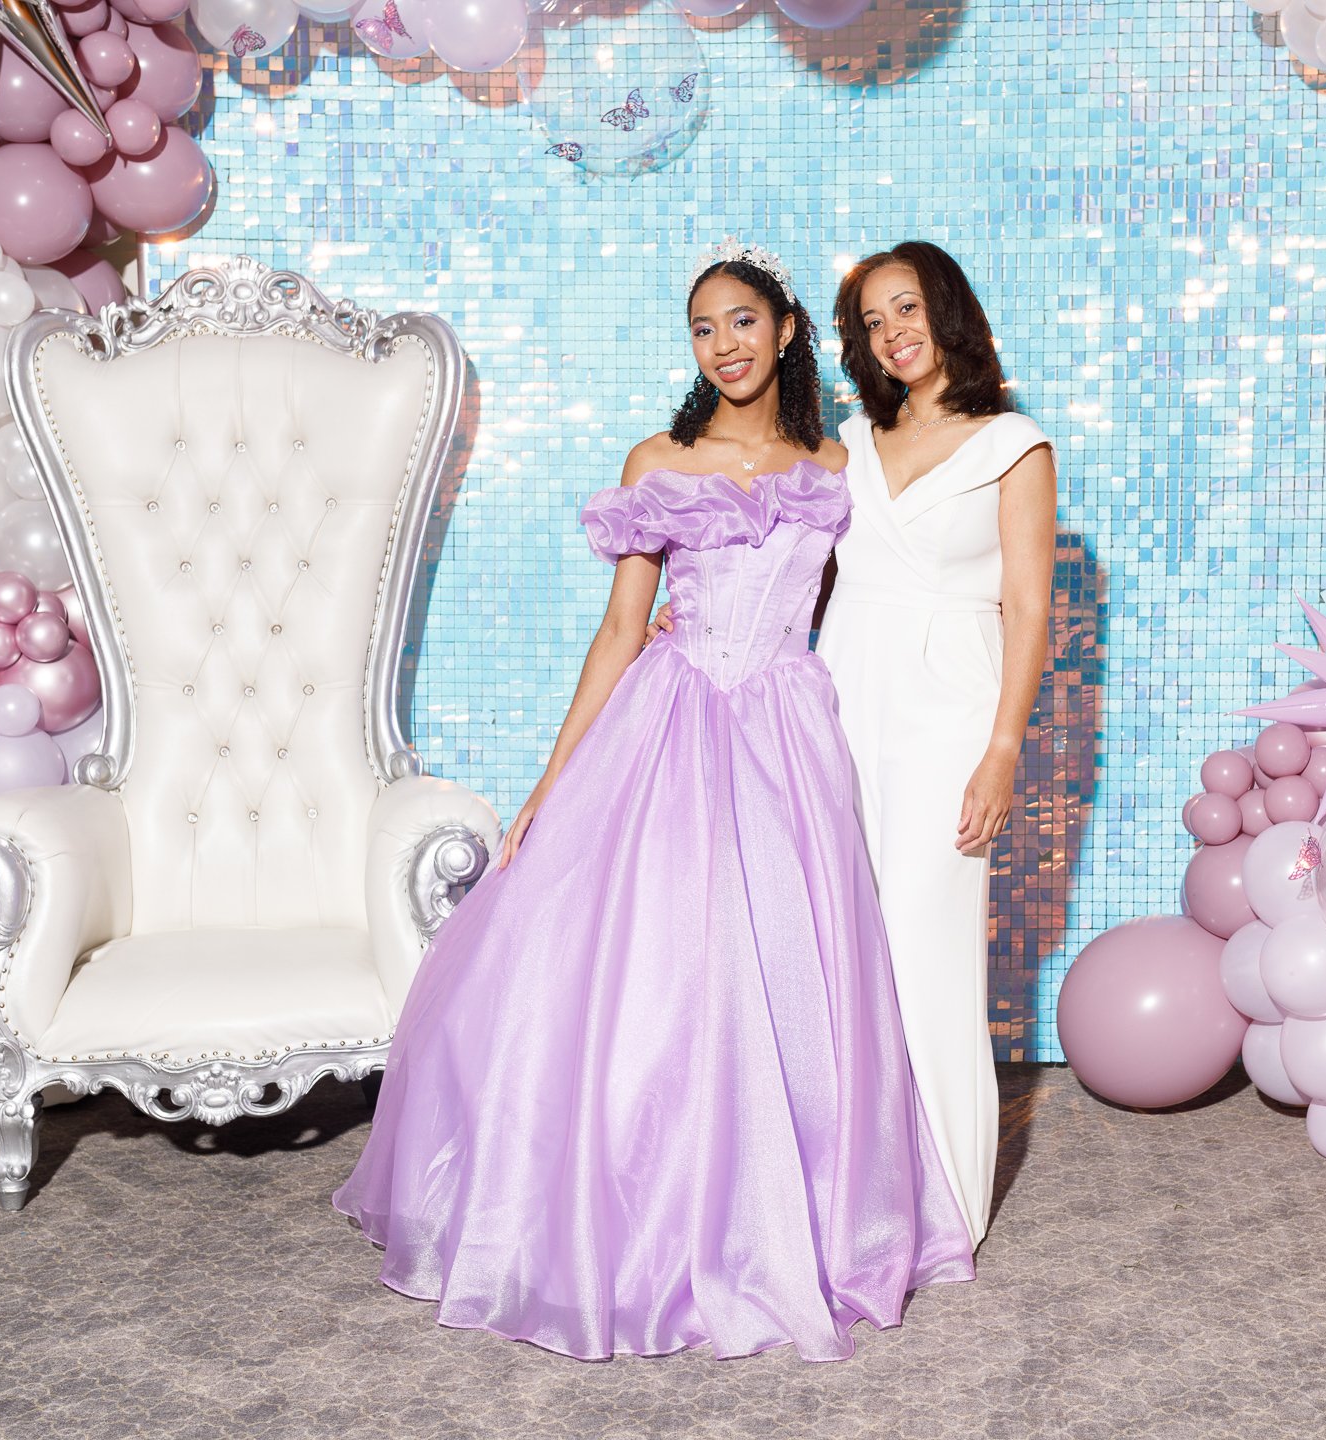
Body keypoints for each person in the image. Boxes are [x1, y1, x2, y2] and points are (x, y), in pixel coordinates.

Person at [333, 240, 973, 1362]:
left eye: (740, 322)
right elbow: (623, 629)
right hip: (672, 725)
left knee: (785, 974)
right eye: (701, 329)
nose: (722, 345)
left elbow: (879, 595)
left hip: (786, 735)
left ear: (784, 332)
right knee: (663, 971)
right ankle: (639, 1217)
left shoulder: (837, 463)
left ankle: (784, 1220)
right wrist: (549, 780)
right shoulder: (659, 462)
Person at [657, 242, 1056, 1245]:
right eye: (873, 321)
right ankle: (855, 1199)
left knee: (926, 952)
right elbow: (795, 564)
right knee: (844, 954)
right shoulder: (853, 448)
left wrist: (1002, 749)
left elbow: (1030, 606)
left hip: (950, 713)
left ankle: (947, 1208)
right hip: (837, 707)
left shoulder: (1014, 444)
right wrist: (697, 612)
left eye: (907, 308)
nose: (892, 333)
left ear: (948, 311)